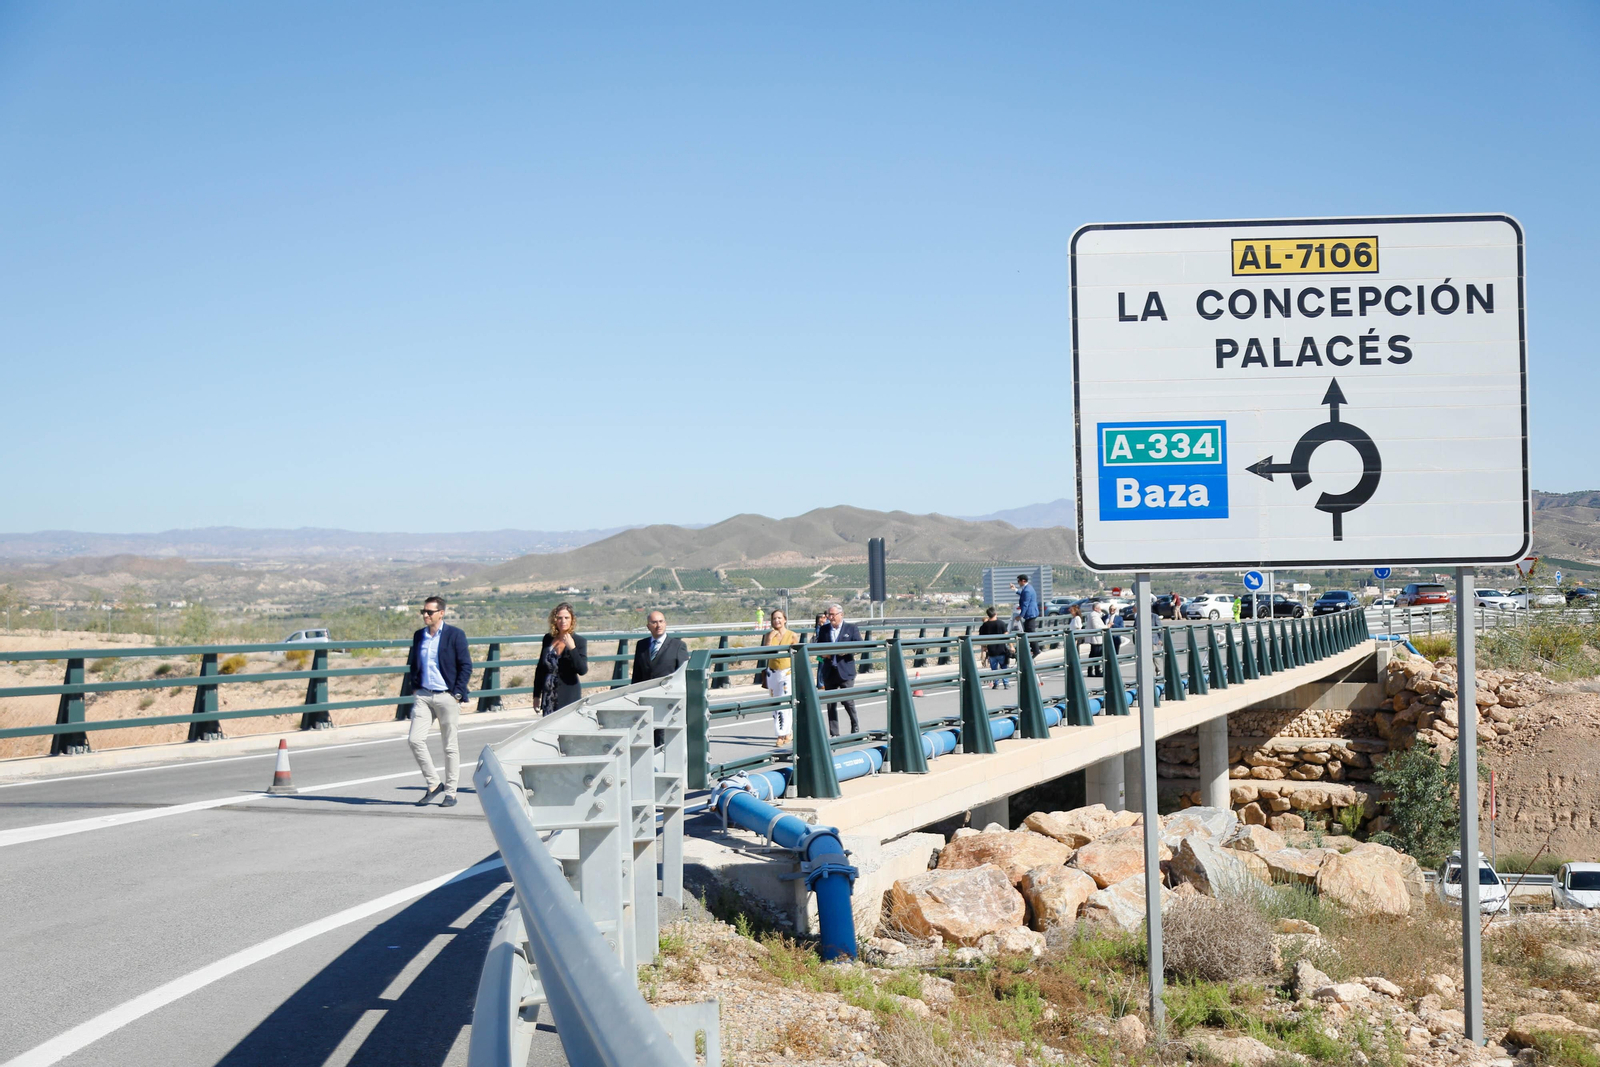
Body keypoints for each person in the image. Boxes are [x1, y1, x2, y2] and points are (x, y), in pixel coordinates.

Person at [405, 596, 473, 807]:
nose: (425, 615)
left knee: (450, 746)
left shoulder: (455, 635)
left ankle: (451, 792)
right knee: (415, 740)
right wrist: (415, 687)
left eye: (429, 612)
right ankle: (434, 783)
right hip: (424, 695)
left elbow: (466, 666)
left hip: (447, 695)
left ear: (441, 613)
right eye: (423, 611)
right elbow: (413, 663)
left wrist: (458, 694)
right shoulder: (419, 636)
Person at [533, 602, 588, 716]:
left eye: (567, 618)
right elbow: (540, 670)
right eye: (559, 618)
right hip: (549, 696)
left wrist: (572, 648)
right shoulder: (548, 639)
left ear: (572, 620)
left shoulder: (579, 641)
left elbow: (582, 670)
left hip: (568, 696)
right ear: (554, 620)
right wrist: (536, 695)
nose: (563, 621)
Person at [816, 603, 861, 736]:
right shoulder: (824, 630)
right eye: (828, 615)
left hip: (845, 670)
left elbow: (860, 646)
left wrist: (845, 651)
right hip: (829, 670)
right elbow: (818, 650)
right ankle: (834, 733)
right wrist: (823, 656)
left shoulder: (851, 628)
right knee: (831, 703)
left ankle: (855, 723)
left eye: (833, 615)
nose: (830, 617)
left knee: (848, 700)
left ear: (841, 614)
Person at [759, 609, 798, 747]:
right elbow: (764, 652)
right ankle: (787, 731)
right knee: (775, 705)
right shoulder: (769, 635)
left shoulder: (792, 635)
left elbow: (796, 654)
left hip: (786, 672)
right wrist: (769, 638)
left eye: (779, 618)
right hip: (773, 672)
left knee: (784, 703)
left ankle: (781, 734)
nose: (777, 621)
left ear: (785, 619)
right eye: (774, 619)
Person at [631, 610, 689, 683]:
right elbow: (637, 673)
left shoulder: (678, 646)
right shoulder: (641, 645)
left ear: (665, 624)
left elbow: (683, 673)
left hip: (667, 691)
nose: (658, 625)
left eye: (661, 621)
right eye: (654, 622)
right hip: (646, 691)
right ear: (648, 626)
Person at [977, 606, 1010, 690]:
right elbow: (1007, 635)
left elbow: (981, 638)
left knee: (994, 669)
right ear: (995, 614)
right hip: (1001, 649)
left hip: (991, 650)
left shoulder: (984, 625)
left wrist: (984, 647)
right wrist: (1011, 646)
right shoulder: (1001, 623)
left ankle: (996, 683)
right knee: (1004, 667)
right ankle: (1006, 683)